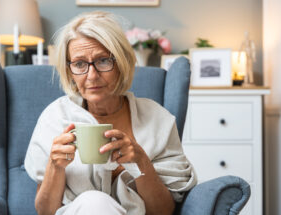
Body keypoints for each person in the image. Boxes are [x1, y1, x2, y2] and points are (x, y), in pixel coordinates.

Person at [24, 11, 197, 215]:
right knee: (93, 202)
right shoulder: (55, 117)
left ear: (121, 63)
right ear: (69, 70)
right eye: (79, 64)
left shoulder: (157, 119)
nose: (92, 75)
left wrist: (142, 162)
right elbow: (45, 211)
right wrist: (55, 167)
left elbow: (164, 211)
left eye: (103, 61)